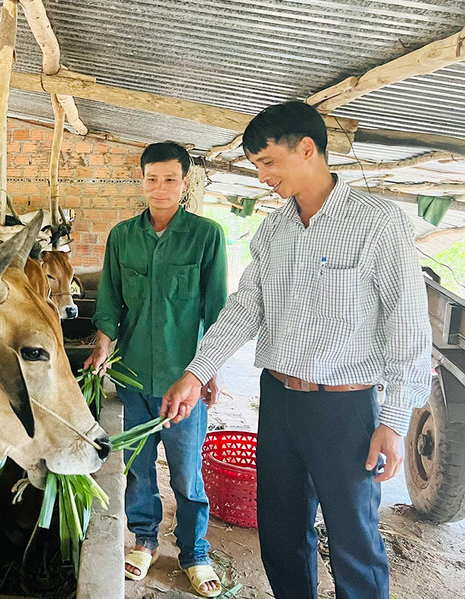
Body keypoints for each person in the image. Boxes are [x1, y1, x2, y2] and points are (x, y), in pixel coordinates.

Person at [161, 101, 432, 599]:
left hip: (345, 407)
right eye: (256, 166)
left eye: (267, 163)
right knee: (281, 535)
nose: (261, 176)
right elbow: (245, 309)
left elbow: (409, 329)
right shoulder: (275, 229)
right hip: (280, 400)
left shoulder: (378, 222)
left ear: (307, 149)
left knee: (354, 539)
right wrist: (197, 372)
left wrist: (393, 424)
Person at [85, 141, 227, 596]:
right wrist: (102, 345)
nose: (160, 188)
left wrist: (210, 369)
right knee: (138, 465)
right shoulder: (123, 236)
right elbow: (109, 299)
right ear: (142, 181)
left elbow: (218, 308)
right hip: (132, 374)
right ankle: (144, 540)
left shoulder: (206, 235)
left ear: (184, 184)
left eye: (170, 179)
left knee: (186, 469)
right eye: (152, 179)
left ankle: (194, 551)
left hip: (183, 378)